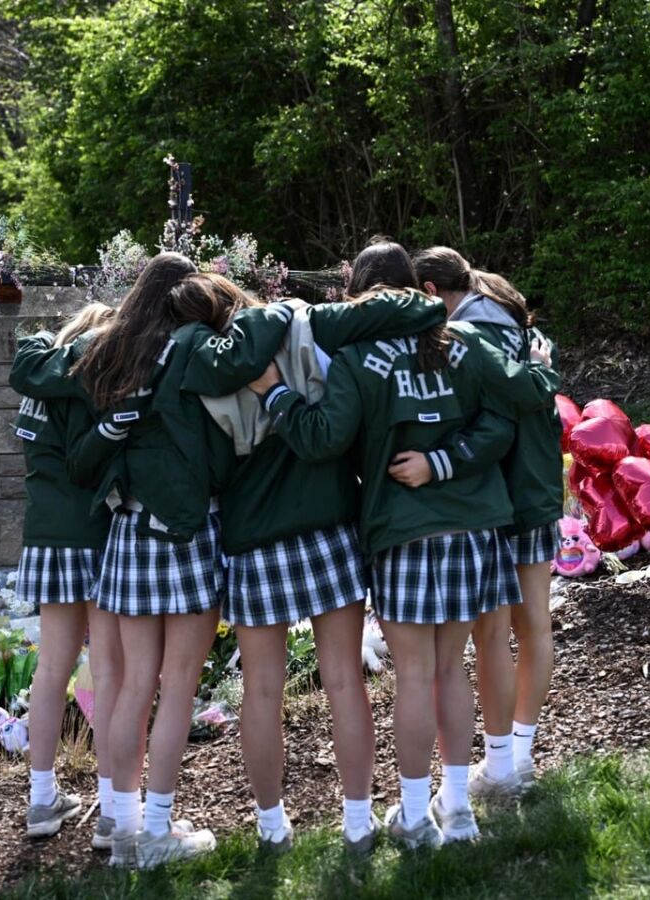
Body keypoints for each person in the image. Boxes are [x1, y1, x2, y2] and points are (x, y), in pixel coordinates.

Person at [247, 241, 557, 848]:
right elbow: (505, 415)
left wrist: (275, 393)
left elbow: (322, 440)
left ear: (360, 297)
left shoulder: (357, 356)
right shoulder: (461, 342)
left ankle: (416, 817)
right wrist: (450, 457)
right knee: (450, 670)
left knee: (415, 675)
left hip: (402, 532)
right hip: (474, 529)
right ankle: (459, 808)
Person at [170, 271, 446, 854]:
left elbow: (209, 471)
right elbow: (401, 310)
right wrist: (426, 304)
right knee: (346, 681)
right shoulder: (301, 323)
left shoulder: (193, 369)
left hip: (252, 539)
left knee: (262, 692)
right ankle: (356, 821)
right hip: (327, 526)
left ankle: (272, 828)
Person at [11, 252, 235, 870]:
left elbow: (36, 373)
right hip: (179, 531)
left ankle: (118, 822)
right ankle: (148, 830)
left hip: (122, 532)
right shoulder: (188, 350)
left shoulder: (110, 357)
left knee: (123, 682)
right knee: (172, 685)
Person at [396, 246, 563, 800]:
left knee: (497, 632)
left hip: (501, 494)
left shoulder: (470, 333)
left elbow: (523, 391)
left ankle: (507, 762)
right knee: (530, 625)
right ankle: (515, 755)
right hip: (533, 485)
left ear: (429, 293)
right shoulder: (501, 311)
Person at [8, 302, 122, 844]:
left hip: (45, 535)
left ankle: (40, 798)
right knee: (106, 670)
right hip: (92, 532)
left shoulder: (38, 381)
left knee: (51, 670)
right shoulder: (83, 383)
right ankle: (110, 803)